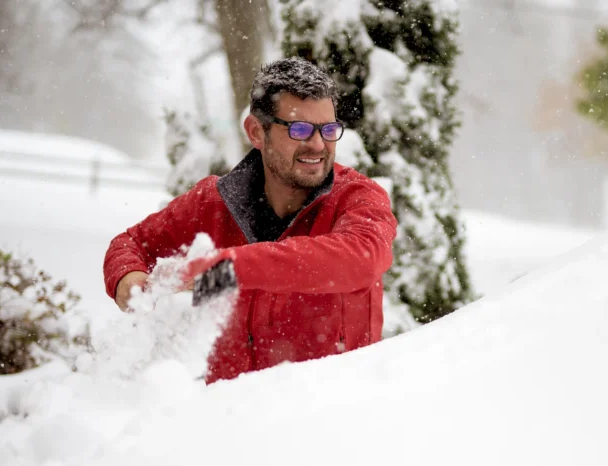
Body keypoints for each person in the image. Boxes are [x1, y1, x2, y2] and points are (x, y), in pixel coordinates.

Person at [103, 57, 397, 383]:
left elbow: (362, 257)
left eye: (328, 129)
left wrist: (223, 271)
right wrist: (127, 279)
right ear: (257, 131)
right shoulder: (212, 203)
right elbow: (131, 243)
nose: (318, 144)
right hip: (228, 417)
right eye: (299, 129)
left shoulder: (357, 198)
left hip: (330, 417)